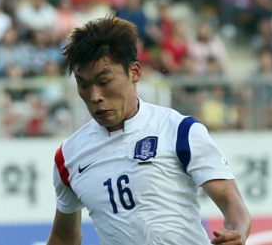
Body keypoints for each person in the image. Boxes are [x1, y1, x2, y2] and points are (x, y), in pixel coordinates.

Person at [46, 16, 251, 245]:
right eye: (84, 85)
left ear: (134, 72)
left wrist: (238, 232)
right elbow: (64, 237)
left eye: (104, 82)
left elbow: (233, 203)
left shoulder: (179, 130)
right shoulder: (69, 156)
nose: (94, 96)